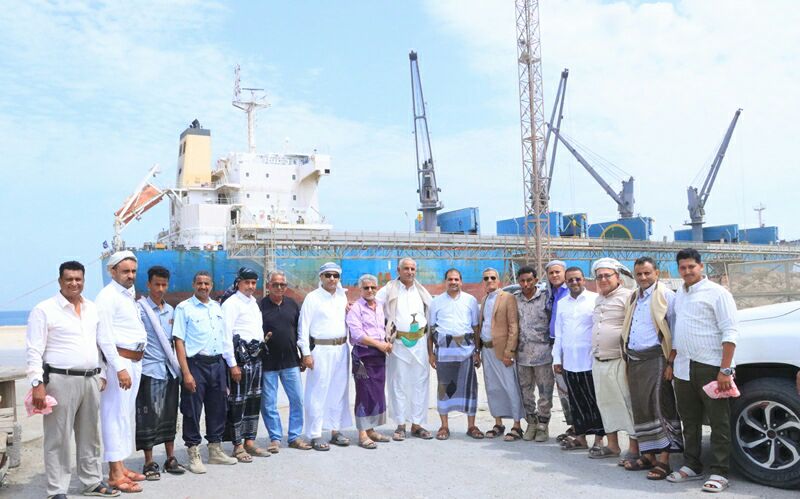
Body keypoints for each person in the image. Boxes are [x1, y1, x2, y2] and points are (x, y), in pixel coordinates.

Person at [26, 261, 120, 499]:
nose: (74, 283)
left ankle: (91, 482)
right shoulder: (44, 310)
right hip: (60, 380)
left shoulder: (92, 308)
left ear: (84, 281)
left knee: (90, 435)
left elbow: (99, 343)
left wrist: (101, 373)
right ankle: (57, 489)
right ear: (60, 281)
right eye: (69, 279)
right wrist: (37, 384)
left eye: (78, 279)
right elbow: (34, 350)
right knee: (58, 438)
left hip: (90, 380)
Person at [667, 248, 738, 493]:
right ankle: (691, 465)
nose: (687, 271)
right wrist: (672, 361)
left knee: (719, 422)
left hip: (711, 366)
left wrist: (725, 369)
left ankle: (720, 471)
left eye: (691, 267)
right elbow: (678, 331)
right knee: (689, 420)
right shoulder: (679, 295)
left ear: (701, 267)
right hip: (683, 367)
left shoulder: (718, 293)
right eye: (683, 267)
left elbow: (730, 331)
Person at [621, 256, 683, 480]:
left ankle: (664, 461)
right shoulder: (633, 297)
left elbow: (675, 330)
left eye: (647, 273)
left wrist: (671, 362)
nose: (643, 277)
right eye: (639, 274)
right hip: (634, 359)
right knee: (640, 407)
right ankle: (648, 455)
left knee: (659, 405)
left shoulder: (666, 296)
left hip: (657, 358)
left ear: (657, 273)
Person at [173, 271, 239, 473]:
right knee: (192, 410)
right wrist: (186, 373)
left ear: (212, 286)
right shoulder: (184, 308)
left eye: (206, 283)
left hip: (217, 364)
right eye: (199, 283)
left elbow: (223, 337)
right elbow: (179, 341)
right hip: (196, 364)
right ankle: (193, 451)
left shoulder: (216, 307)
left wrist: (227, 366)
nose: (203, 287)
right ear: (194, 285)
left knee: (218, 407)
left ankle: (215, 449)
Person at [95, 250, 148, 493]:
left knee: (125, 415)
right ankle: (115, 474)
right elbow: (104, 337)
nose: (130, 275)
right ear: (112, 271)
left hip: (134, 362)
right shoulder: (107, 297)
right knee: (113, 416)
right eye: (125, 271)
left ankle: (121, 466)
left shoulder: (128, 295)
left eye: (133, 271)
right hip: (120, 363)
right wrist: (118, 368)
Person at [376, 257, 433, 441]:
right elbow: (373, 305)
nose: (410, 272)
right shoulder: (389, 289)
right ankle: (400, 425)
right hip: (398, 343)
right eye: (406, 268)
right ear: (398, 271)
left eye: (412, 269)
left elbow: (433, 312)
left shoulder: (421, 291)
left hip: (420, 342)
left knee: (420, 382)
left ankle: (417, 424)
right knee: (398, 383)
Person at [135, 266, 185, 480]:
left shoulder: (171, 311)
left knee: (170, 415)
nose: (161, 289)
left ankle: (170, 458)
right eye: (157, 284)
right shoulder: (139, 310)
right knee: (148, 417)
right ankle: (149, 462)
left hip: (169, 371)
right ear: (148, 284)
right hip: (149, 370)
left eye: (164, 285)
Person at [298, 262, 352, 451]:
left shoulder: (342, 296)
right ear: (321, 277)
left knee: (338, 391)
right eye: (328, 275)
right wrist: (306, 353)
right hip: (320, 350)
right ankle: (315, 434)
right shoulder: (312, 298)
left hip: (341, 349)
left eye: (335, 276)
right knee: (317, 392)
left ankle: (335, 431)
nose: (332, 279)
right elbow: (303, 327)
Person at [589, 258, 638, 462]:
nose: (603, 280)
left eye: (607, 276)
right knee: (606, 404)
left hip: (619, 360)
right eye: (599, 276)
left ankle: (634, 448)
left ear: (617, 277)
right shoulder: (598, 299)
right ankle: (613, 445)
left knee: (627, 404)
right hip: (599, 360)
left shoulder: (628, 296)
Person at [428, 268, 483, 440]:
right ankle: (444, 426)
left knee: (470, 388)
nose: (453, 282)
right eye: (450, 279)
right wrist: (431, 354)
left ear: (461, 281)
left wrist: (477, 352)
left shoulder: (470, 300)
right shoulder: (436, 302)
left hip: (466, 352)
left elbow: (475, 328)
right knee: (444, 388)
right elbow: (430, 330)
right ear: (445, 281)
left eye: (456, 279)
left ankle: (471, 426)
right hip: (444, 353)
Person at [553, 267, 604, 452]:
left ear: (584, 280)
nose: (574, 282)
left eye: (577, 279)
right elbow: (559, 333)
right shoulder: (562, 303)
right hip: (569, 362)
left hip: (590, 361)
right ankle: (581, 438)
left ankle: (599, 440)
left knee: (595, 401)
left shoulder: (595, 299)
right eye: (570, 280)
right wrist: (556, 359)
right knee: (576, 402)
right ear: (566, 282)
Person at [260, 270, 311, 451]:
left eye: (282, 285)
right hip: (268, 363)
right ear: (269, 286)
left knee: (297, 400)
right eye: (275, 284)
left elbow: (301, 331)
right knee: (269, 403)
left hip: (291, 362)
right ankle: (275, 438)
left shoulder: (293, 305)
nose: (279, 287)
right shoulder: (260, 306)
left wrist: (304, 354)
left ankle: (294, 436)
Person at [221, 267, 269, 461]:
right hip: (240, 359)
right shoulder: (231, 304)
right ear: (238, 283)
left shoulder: (253, 303)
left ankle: (250, 441)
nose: (250, 286)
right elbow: (226, 336)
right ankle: (237, 445)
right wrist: (232, 364)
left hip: (256, 357)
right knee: (238, 402)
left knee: (253, 400)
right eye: (247, 282)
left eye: (253, 282)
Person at [477, 268, 524, 441]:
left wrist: (509, 352)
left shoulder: (508, 298)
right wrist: (478, 350)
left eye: (492, 277)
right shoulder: (484, 299)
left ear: (498, 280)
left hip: (503, 351)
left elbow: (513, 326)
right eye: (486, 278)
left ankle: (517, 426)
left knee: (510, 386)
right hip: (486, 349)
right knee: (493, 387)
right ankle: (498, 422)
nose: (489, 280)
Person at [347, 274, 392, 449]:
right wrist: (379, 345)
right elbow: (357, 335)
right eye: (366, 288)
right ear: (361, 289)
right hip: (363, 356)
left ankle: (371, 429)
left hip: (379, 356)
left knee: (376, 393)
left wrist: (387, 342)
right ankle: (362, 434)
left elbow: (383, 328)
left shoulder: (380, 306)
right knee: (364, 393)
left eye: (373, 287)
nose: (370, 290)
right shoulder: (356, 309)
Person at [514, 266, 555, 442]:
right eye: (522, 281)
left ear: (536, 280)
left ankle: (543, 425)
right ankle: (531, 422)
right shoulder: (515, 299)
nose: (526, 284)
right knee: (525, 392)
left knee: (545, 391)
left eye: (529, 280)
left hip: (543, 354)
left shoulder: (546, 298)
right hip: (522, 355)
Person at [545, 260, 573, 441]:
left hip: (569, 345)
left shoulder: (570, 291)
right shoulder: (551, 293)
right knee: (563, 388)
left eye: (557, 272)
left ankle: (580, 426)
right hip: (555, 344)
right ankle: (573, 425)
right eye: (551, 273)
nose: (554, 275)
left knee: (574, 387)